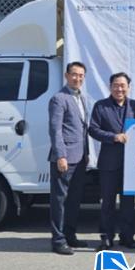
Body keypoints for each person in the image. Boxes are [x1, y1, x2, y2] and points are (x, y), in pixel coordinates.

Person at [89, 72, 135, 251]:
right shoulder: (101, 106)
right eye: (116, 85)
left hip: (131, 164)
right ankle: (106, 238)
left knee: (128, 204)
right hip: (109, 164)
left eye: (123, 85)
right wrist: (113, 137)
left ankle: (127, 237)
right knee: (108, 203)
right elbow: (93, 129)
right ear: (110, 87)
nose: (119, 89)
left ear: (128, 87)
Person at [48, 61, 90, 255]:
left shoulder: (81, 98)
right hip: (64, 159)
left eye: (81, 75)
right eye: (74, 74)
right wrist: (61, 156)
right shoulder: (59, 98)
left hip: (79, 158)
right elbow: (55, 130)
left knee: (74, 200)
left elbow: (82, 130)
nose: (77, 78)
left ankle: (70, 235)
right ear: (66, 76)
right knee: (60, 201)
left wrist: (86, 154)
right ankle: (58, 240)